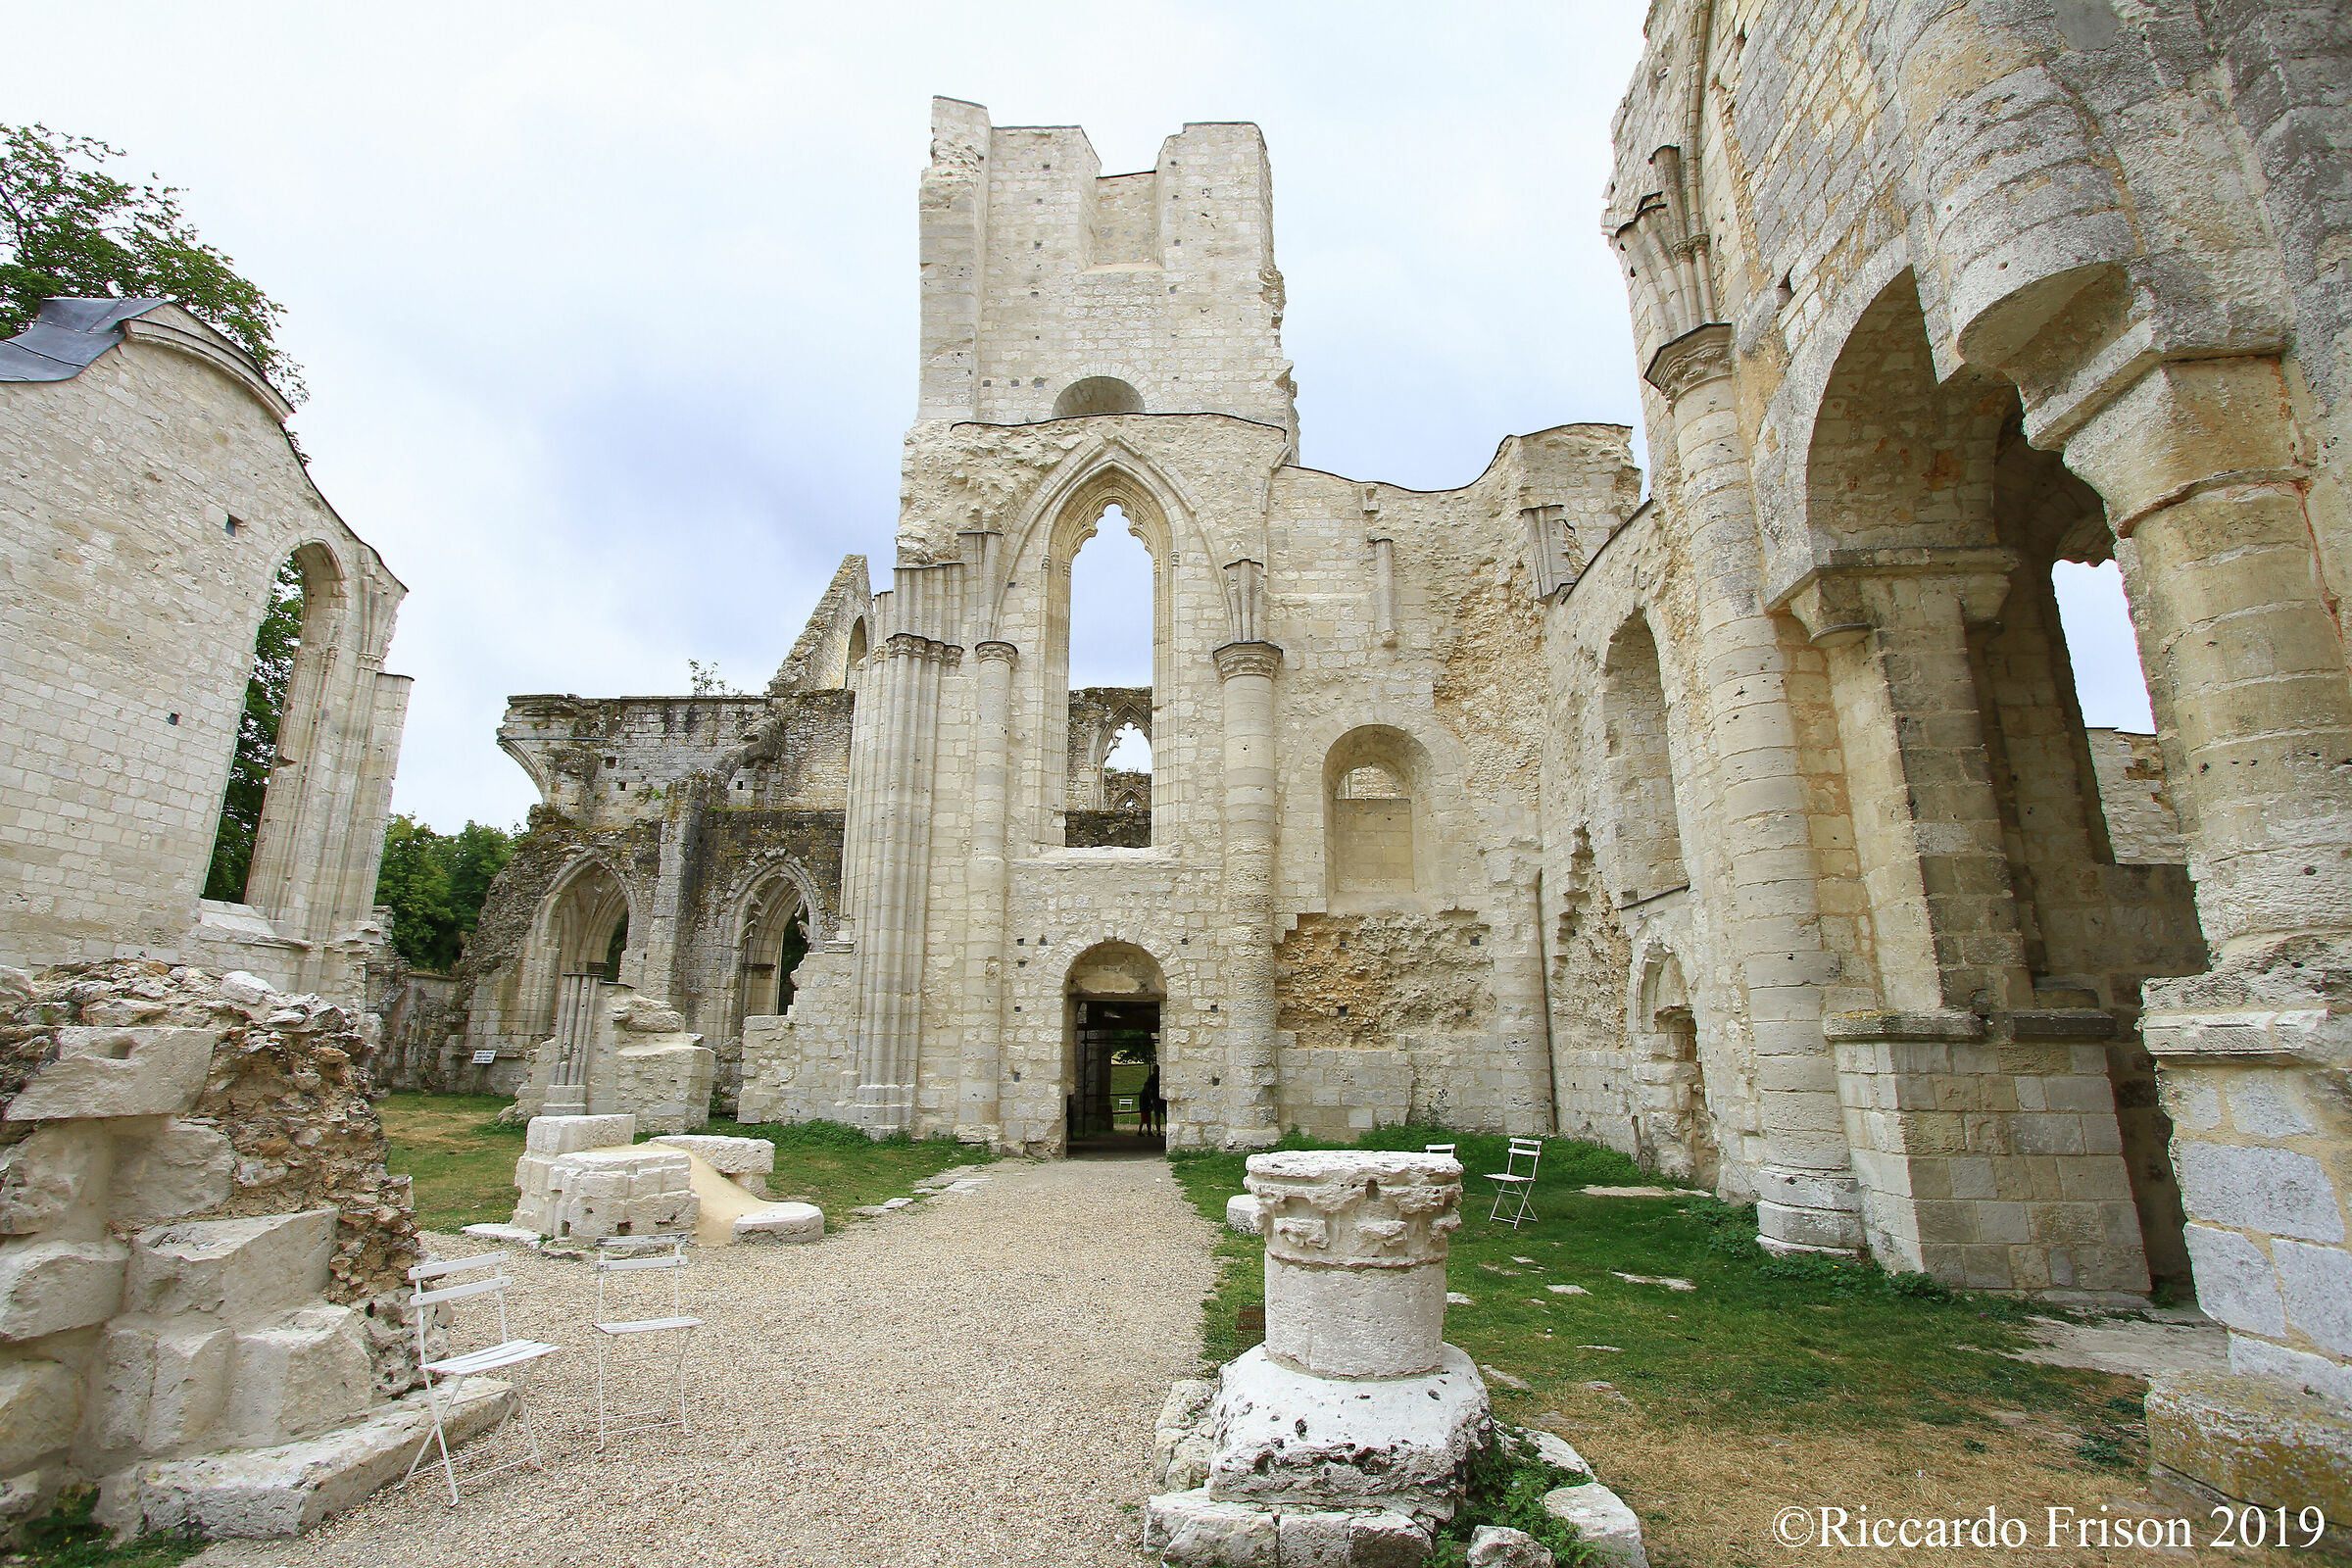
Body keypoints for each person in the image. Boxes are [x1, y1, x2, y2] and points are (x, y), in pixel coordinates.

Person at [1139, 1065, 1164, 1136]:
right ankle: (1158, 1131)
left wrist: (1151, 1097)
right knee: (1161, 1115)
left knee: (1157, 1115)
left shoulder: (1152, 1078)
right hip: (1161, 1097)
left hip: (1156, 1098)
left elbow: (1148, 1088)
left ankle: (1158, 1131)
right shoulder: (1161, 1077)